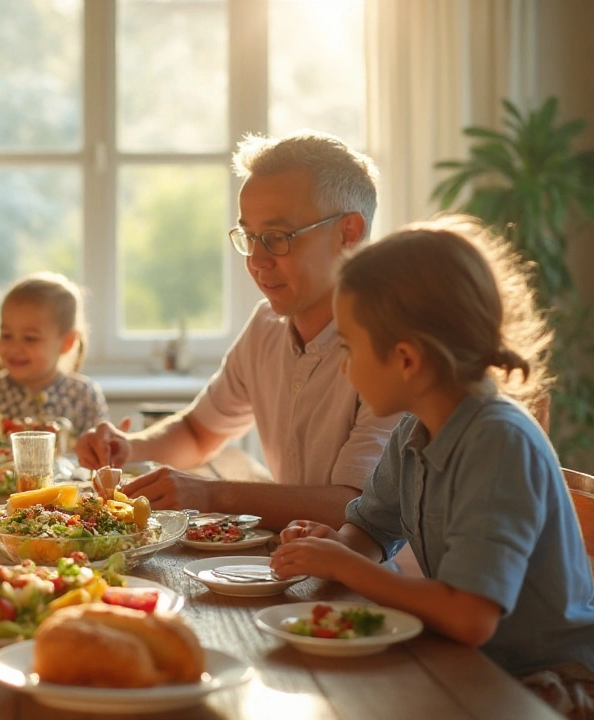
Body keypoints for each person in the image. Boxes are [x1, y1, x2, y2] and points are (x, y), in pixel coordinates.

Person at [270, 218, 594, 718]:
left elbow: (468, 616)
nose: (343, 366)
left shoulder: (498, 442)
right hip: (480, 661)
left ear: (407, 359)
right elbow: (369, 527)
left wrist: (346, 567)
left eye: (349, 347)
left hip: (556, 685)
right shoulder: (416, 429)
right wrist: (334, 545)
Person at [76, 132, 399, 530]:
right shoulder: (266, 326)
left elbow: (355, 506)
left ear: (348, 233)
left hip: (381, 582)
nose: (257, 261)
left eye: (277, 238)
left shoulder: (395, 347)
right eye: (249, 237)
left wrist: (213, 494)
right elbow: (198, 432)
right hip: (296, 563)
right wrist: (127, 448)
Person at [0, 272, 108, 436]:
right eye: (6, 335)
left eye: (30, 338)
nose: (14, 348)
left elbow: (99, 454)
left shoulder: (84, 397)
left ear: (67, 342)